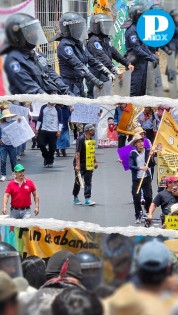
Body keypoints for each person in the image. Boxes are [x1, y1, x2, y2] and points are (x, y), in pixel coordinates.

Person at [0, 13, 71, 96]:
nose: (35, 35)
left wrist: (67, 94)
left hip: (50, 102)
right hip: (31, 105)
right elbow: (30, 88)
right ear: (18, 37)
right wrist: (53, 100)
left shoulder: (36, 54)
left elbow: (53, 75)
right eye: (30, 33)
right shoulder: (13, 60)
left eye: (35, 32)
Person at [52, 12, 114, 97]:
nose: (79, 30)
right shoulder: (64, 46)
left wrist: (106, 71)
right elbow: (79, 65)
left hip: (79, 84)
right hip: (69, 86)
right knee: (74, 109)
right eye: (76, 28)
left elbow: (91, 60)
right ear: (68, 29)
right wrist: (95, 80)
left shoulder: (79, 43)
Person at [86, 13, 134, 98]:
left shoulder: (105, 39)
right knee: (94, 100)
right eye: (104, 25)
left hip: (105, 73)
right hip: (96, 74)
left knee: (106, 99)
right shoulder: (93, 41)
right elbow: (102, 57)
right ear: (97, 26)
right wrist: (114, 69)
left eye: (107, 25)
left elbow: (114, 53)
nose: (107, 28)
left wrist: (127, 63)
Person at [122, 5, 159, 96]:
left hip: (142, 63)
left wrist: (151, 55)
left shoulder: (138, 27)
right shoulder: (132, 30)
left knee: (142, 91)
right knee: (134, 92)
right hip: (135, 65)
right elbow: (137, 49)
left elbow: (143, 46)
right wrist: (151, 58)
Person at [129, 134, 154, 224]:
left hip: (146, 177)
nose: (141, 143)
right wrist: (140, 168)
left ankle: (147, 211)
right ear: (135, 144)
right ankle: (138, 215)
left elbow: (151, 164)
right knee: (136, 197)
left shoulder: (148, 151)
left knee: (149, 197)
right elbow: (131, 166)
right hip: (137, 179)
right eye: (138, 142)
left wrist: (151, 157)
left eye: (141, 141)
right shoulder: (133, 153)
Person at [73, 124, 98, 206]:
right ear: (88, 131)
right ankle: (75, 197)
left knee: (88, 181)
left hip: (89, 162)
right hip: (80, 163)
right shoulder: (81, 139)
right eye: (92, 130)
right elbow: (78, 153)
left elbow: (92, 151)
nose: (93, 131)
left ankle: (87, 198)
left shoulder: (91, 139)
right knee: (78, 182)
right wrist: (78, 165)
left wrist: (95, 161)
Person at [36, 102, 62, 167]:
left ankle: (50, 161)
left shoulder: (58, 108)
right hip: (43, 129)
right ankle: (47, 157)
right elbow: (40, 118)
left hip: (53, 130)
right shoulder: (43, 107)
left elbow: (60, 120)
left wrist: (59, 130)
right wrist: (36, 129)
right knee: (40, 144)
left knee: (52, 147)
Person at [0, 109, 18, 182]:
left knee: (13, 160)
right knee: (3, 160)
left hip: (12, 144)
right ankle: (3, 175)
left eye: (9, 117)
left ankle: (14, 173)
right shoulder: (1, 124)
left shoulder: (14, 123)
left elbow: (20, 124)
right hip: (3, 144)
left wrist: (19, 119)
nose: (8, 118)